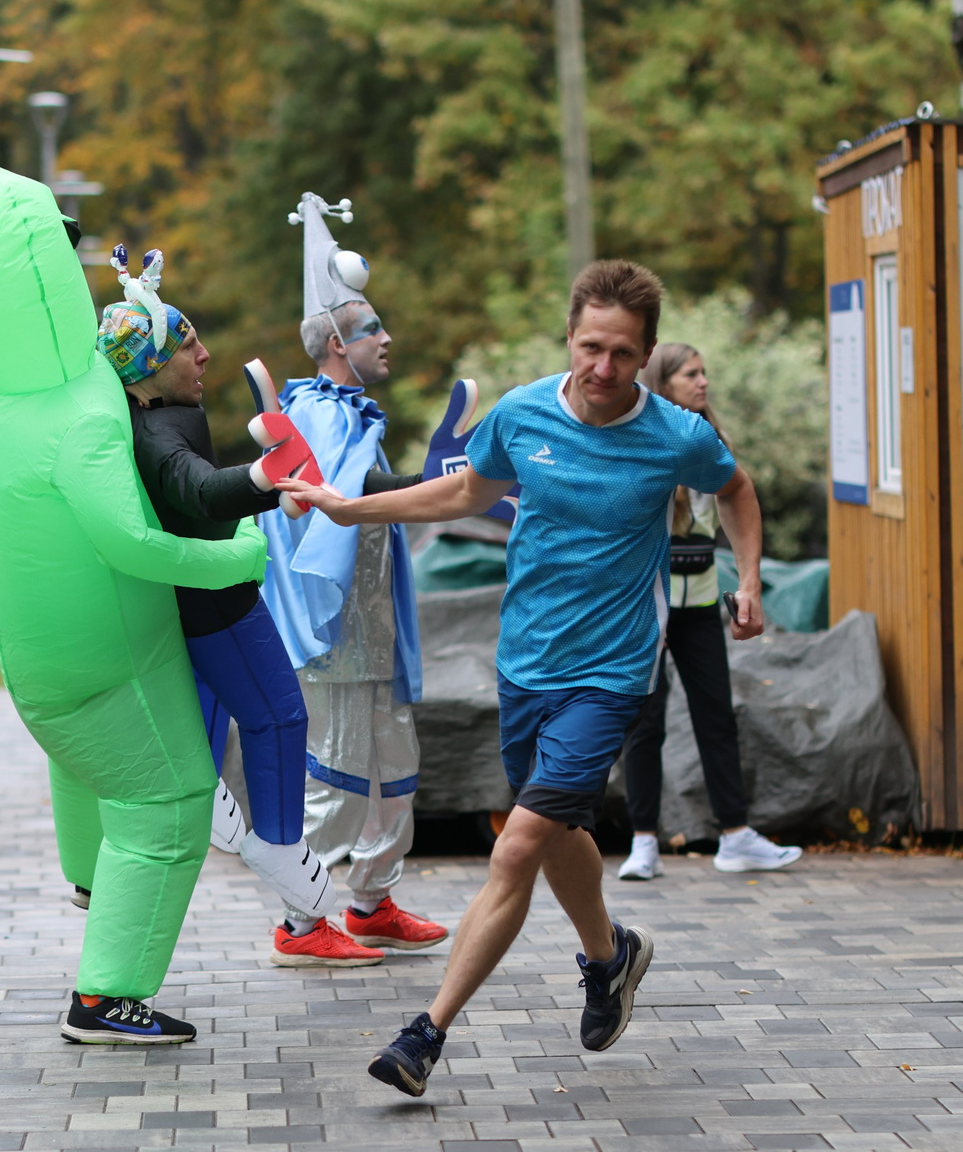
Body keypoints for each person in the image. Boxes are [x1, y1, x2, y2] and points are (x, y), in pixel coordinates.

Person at [281, 259, 767, 1098]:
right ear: (569, 339)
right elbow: (466, 492)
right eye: (590, 348)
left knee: (515, 849)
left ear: (644, 354)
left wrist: (748, 578)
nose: (603, 369)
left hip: (611, 675)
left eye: (622, 353)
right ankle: (611, 958)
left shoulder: (675, 435)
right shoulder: (522, 413)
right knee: (556, 833)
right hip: (526, 665)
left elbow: (738, 489)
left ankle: (425, 1035)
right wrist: (350, 507)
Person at [0, 161, 264, 1045]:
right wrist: (237, 556)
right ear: (44, 273)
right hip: (119, 663)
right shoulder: (80, 413)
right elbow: (130, 545)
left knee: (83, 764)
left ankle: (88, 876)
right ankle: (106, 997)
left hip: (37, 665)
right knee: (171, 805)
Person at [94, 249, 353, 955]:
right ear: (146, 368)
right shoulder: (158, 431)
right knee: (278, 718)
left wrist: (264, 483)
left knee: (211, 707)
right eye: (187, 345)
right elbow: (199, 490)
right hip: (218, 604)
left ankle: (210, 794)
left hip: (197, 599)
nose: (204, 355)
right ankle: (279, 845)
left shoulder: (161, 414)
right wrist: (271, 473)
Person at [256, 191, 449, 961]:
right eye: (372, 328)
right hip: (333, 632)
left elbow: (365, 494)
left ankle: (370, 902)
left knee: (396, 770)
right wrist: (421, 483)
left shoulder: (354, 413)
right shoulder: (321, 414)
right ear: (337, 340)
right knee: (333, 782)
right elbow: (322, 503)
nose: (386, 337)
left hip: (377, 629)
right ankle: (301, 920)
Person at [617, 344, 804, 880]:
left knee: (716, 716)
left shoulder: (709, 442)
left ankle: (736, 836)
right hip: (648, 605)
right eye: (690, 375)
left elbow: (734, 501)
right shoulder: (647, 437)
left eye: (704, 374)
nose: (703, 382)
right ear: (663, 382)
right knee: (645, 723)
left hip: (699, 601)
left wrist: (748, 586)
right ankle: (643, 841)